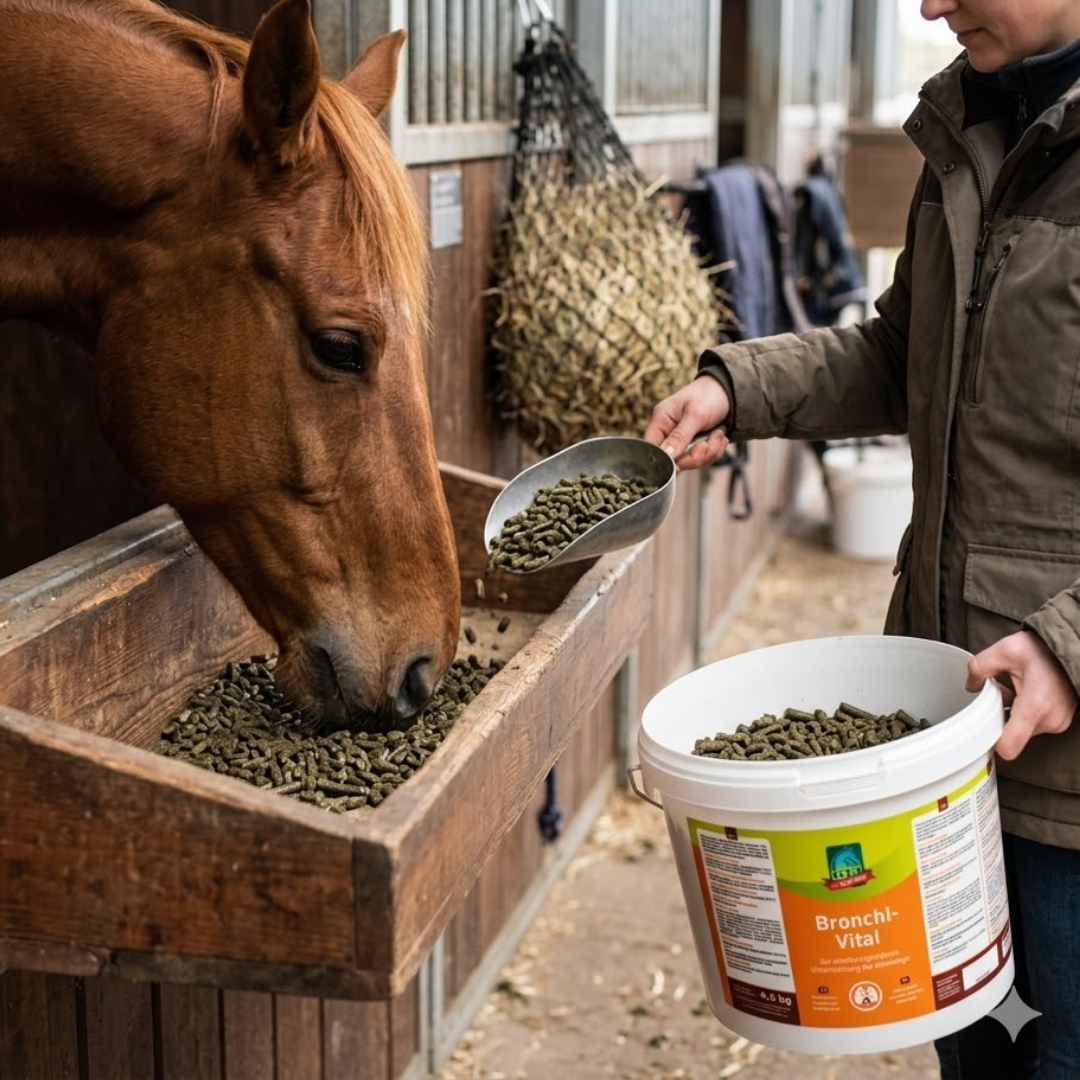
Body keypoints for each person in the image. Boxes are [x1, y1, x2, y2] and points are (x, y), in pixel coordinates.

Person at [644, 2, 1080, 1077]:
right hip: (950, 727)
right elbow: (901, 354)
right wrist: (737, 388)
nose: (930, 4)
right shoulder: (964, 129)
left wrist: (1073, 641)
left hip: (1071, 777)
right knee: (978, 1040)